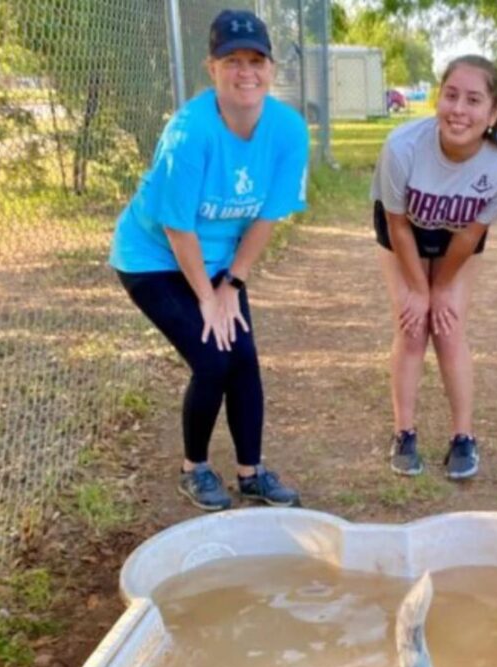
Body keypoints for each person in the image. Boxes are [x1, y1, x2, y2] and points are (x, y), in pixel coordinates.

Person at [110, 9, 309, 511]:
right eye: (232, 61)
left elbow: (265, 217)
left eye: (256, 60)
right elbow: (178, 228)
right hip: (152, 257)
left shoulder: (287, 130)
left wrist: (232, 287)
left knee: (243, 358)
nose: (246, 72)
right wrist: (206, 298)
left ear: (271, 68)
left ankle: (251, 473)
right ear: (212, 69)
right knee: (212, 356)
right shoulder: (188, 133)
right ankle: (194, 469)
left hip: (219, 258)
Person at [371, 56, 497, 480]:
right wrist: (419, 290)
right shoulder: (402, 146)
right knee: (411, 325)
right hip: (402, 228)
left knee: (448, 326)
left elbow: (470, 233)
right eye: (451, 95)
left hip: (459, 235)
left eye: (474, 100)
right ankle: (403, 432)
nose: (459, 109)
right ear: (439, 98)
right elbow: (397, 223)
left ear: (493, 112)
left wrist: (441, 288)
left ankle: (463, 437)